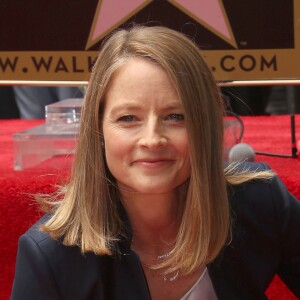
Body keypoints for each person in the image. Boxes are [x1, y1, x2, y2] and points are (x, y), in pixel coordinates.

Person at [11, 26, 300, 300]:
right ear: (97, 131)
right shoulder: (50, 255)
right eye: (128, 118)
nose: (152, 139)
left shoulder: (262, 202)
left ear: (206, 125)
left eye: (175, 116)